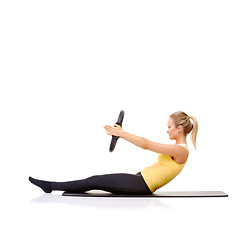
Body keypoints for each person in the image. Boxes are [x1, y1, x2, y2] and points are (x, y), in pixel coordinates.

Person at [29, 111, 198, 195]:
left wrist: (122, 134)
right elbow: (146, 144)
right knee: (94, 180)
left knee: (94, 181)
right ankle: (51, 186)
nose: (167, 130)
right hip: (139, 180)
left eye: (169, 127)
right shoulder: (178, 149)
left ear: (179, 128)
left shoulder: (180, 151)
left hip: (142, 185)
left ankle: (50, 186)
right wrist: (122, 134)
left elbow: (146, 145)